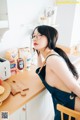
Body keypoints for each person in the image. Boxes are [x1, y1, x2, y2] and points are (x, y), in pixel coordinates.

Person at [31, 25, 80, 120]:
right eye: (33, 36)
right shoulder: (49, 56)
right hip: (63, 105)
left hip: (71, 109)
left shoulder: (52, 59)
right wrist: (38, 53)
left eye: (39, 35)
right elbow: (41, 69)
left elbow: (74, 86)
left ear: (49, 37)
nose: (35, 38)